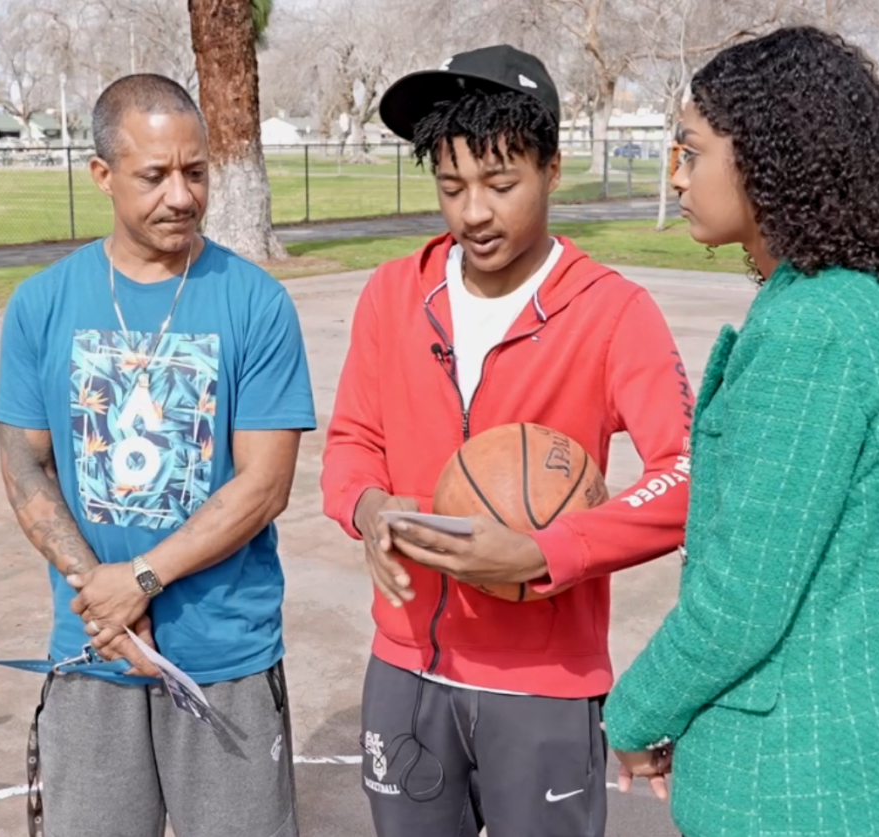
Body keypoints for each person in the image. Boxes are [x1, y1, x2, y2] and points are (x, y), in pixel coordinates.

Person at [603, 26, 879, 837]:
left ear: (773, 157)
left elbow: (740, 600)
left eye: (692, 150)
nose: (677, 174)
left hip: (805, 786)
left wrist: (632, 715)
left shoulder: (810, 331)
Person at [319, 45, 693, 837]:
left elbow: (689, 475)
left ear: (553, 170)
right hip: (406, 665)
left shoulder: (612, 312)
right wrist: (369, 506)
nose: (473, 213)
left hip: (543, 679)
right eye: (452, 187)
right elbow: (351, 440)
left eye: (500, 184)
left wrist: (549, 552)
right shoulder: (394, 293)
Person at [0, 73, 316, 837]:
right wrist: (100, 599)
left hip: (224, 653)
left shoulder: (256, 303)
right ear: (102, 175)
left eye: (196, 171)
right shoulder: (42, 303)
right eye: (155, 175)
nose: (182, 195)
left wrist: (140, 578)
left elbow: (265, 485)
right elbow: (23, 461)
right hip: (92, 651)